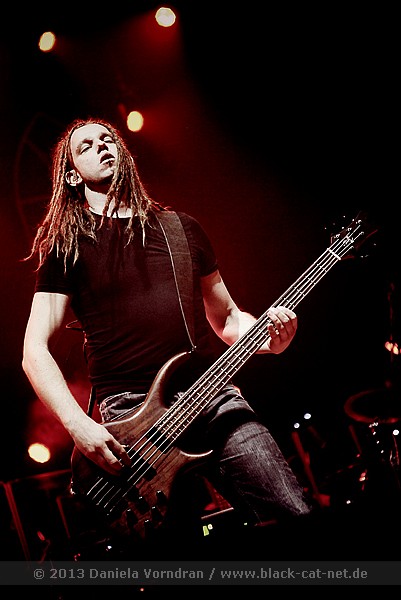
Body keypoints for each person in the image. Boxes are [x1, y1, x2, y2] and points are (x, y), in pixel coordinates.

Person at [22, 117, 313, 559]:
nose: (102, 146)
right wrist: (78, 425)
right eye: (86, 146)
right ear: (72, 175)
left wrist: (271, 338)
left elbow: (228, 319)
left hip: (212, 396)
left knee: (297, 519)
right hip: (132, 420)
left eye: (108, 139)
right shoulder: (68, 244)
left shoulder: (182, 228)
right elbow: (34, 351)